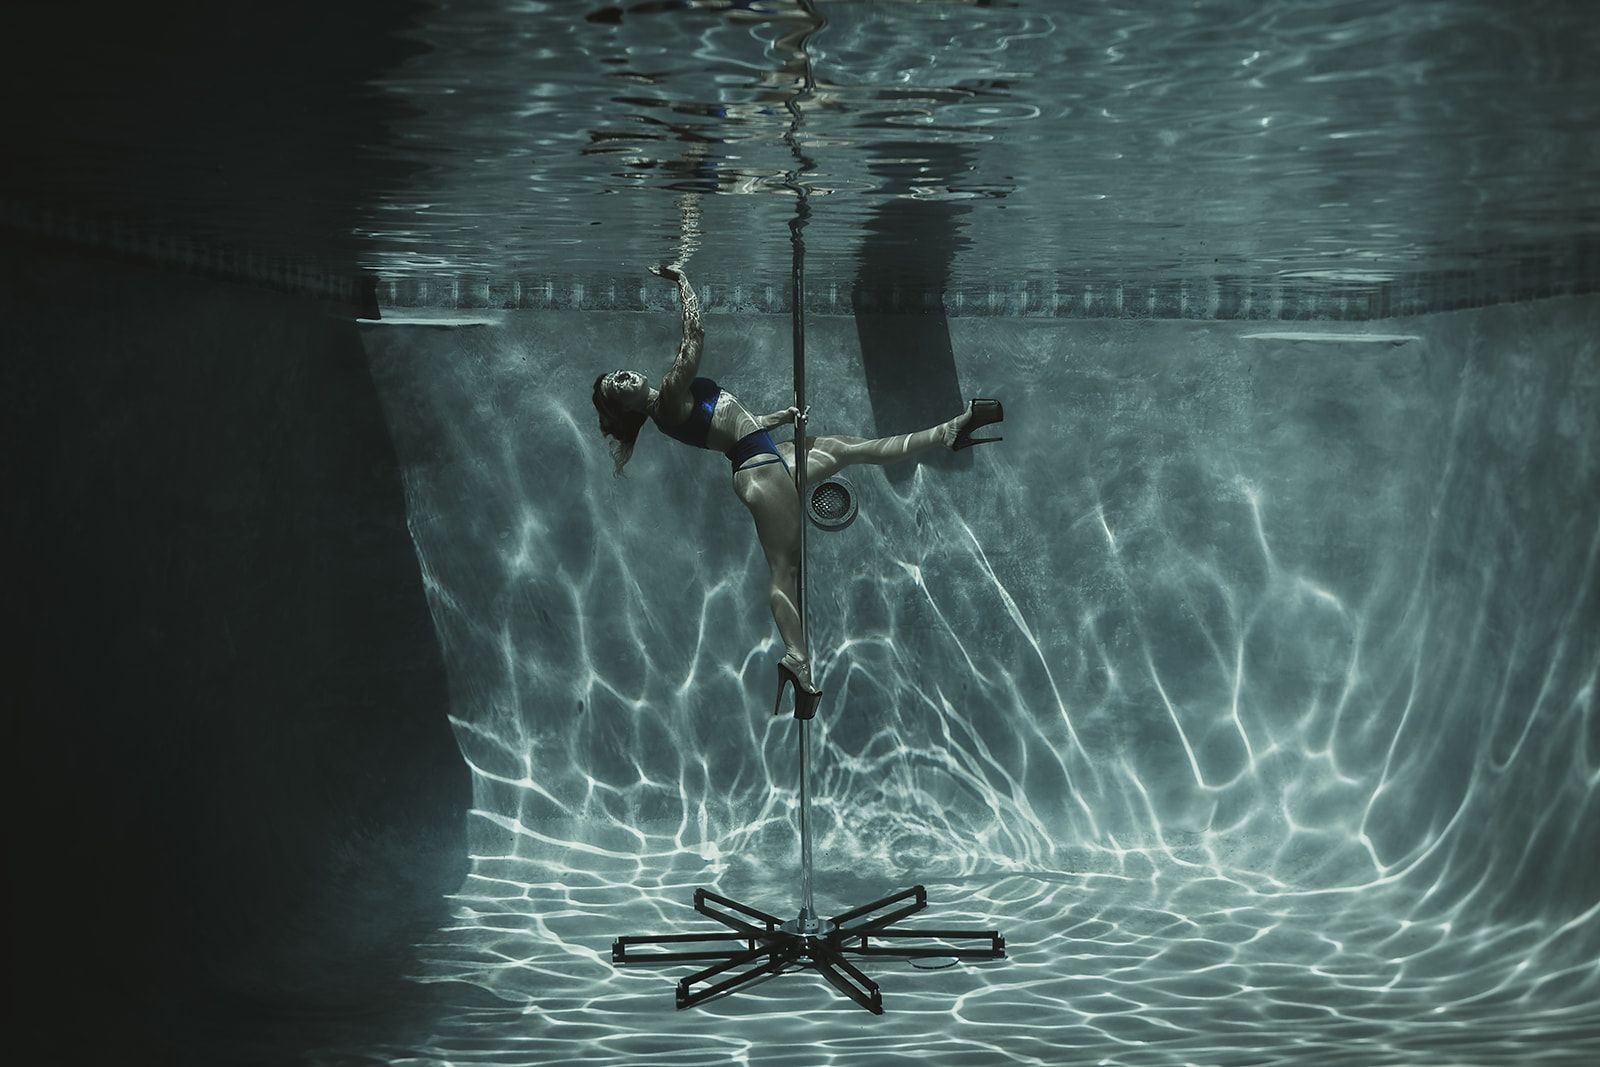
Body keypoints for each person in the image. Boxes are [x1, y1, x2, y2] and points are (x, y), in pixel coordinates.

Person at [591, 265, 1003, 719]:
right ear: (626, 408)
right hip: (759, 470)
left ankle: (949, 432)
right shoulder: (667, 396)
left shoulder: (672, 402)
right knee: (784, 572)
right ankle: (796, 659)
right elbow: (695, 336)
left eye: (618, 374)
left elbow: (729, 421)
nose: (624, 377)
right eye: (617, 386)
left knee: (853, 448)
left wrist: (777, 418)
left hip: (765, 452)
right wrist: (683, 280)